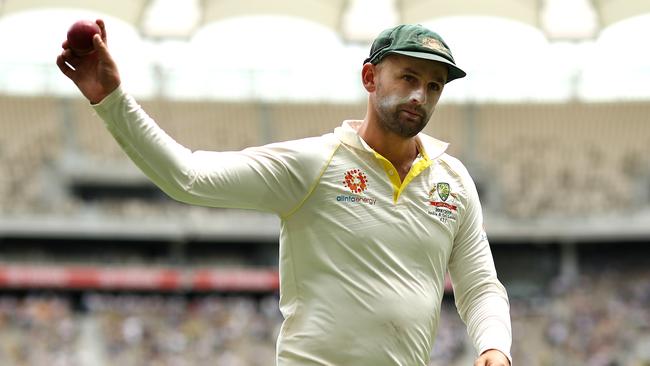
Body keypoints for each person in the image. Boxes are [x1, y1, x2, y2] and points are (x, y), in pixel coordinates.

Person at [57, 20, 512, 366]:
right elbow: (187, 176)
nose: (420, 95)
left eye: (434, 86)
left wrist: (495, 346)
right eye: (408, 77)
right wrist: (111, 98)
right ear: (370, 77)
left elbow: (480, 285)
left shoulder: (452, 181)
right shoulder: (314, 164)